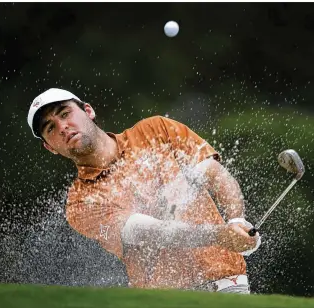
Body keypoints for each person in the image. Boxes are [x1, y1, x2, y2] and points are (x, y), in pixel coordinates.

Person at [27, 88, 261, 294]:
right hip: (165, 296)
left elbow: (212, 169)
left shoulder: (156, 129)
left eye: (65, 114)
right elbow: (142, 231)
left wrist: (236, 222)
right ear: (50, 147)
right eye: (50, 128)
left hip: (227, 280)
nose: (62, 127)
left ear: (88, 111)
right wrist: (218, 235)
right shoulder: (80, 202)